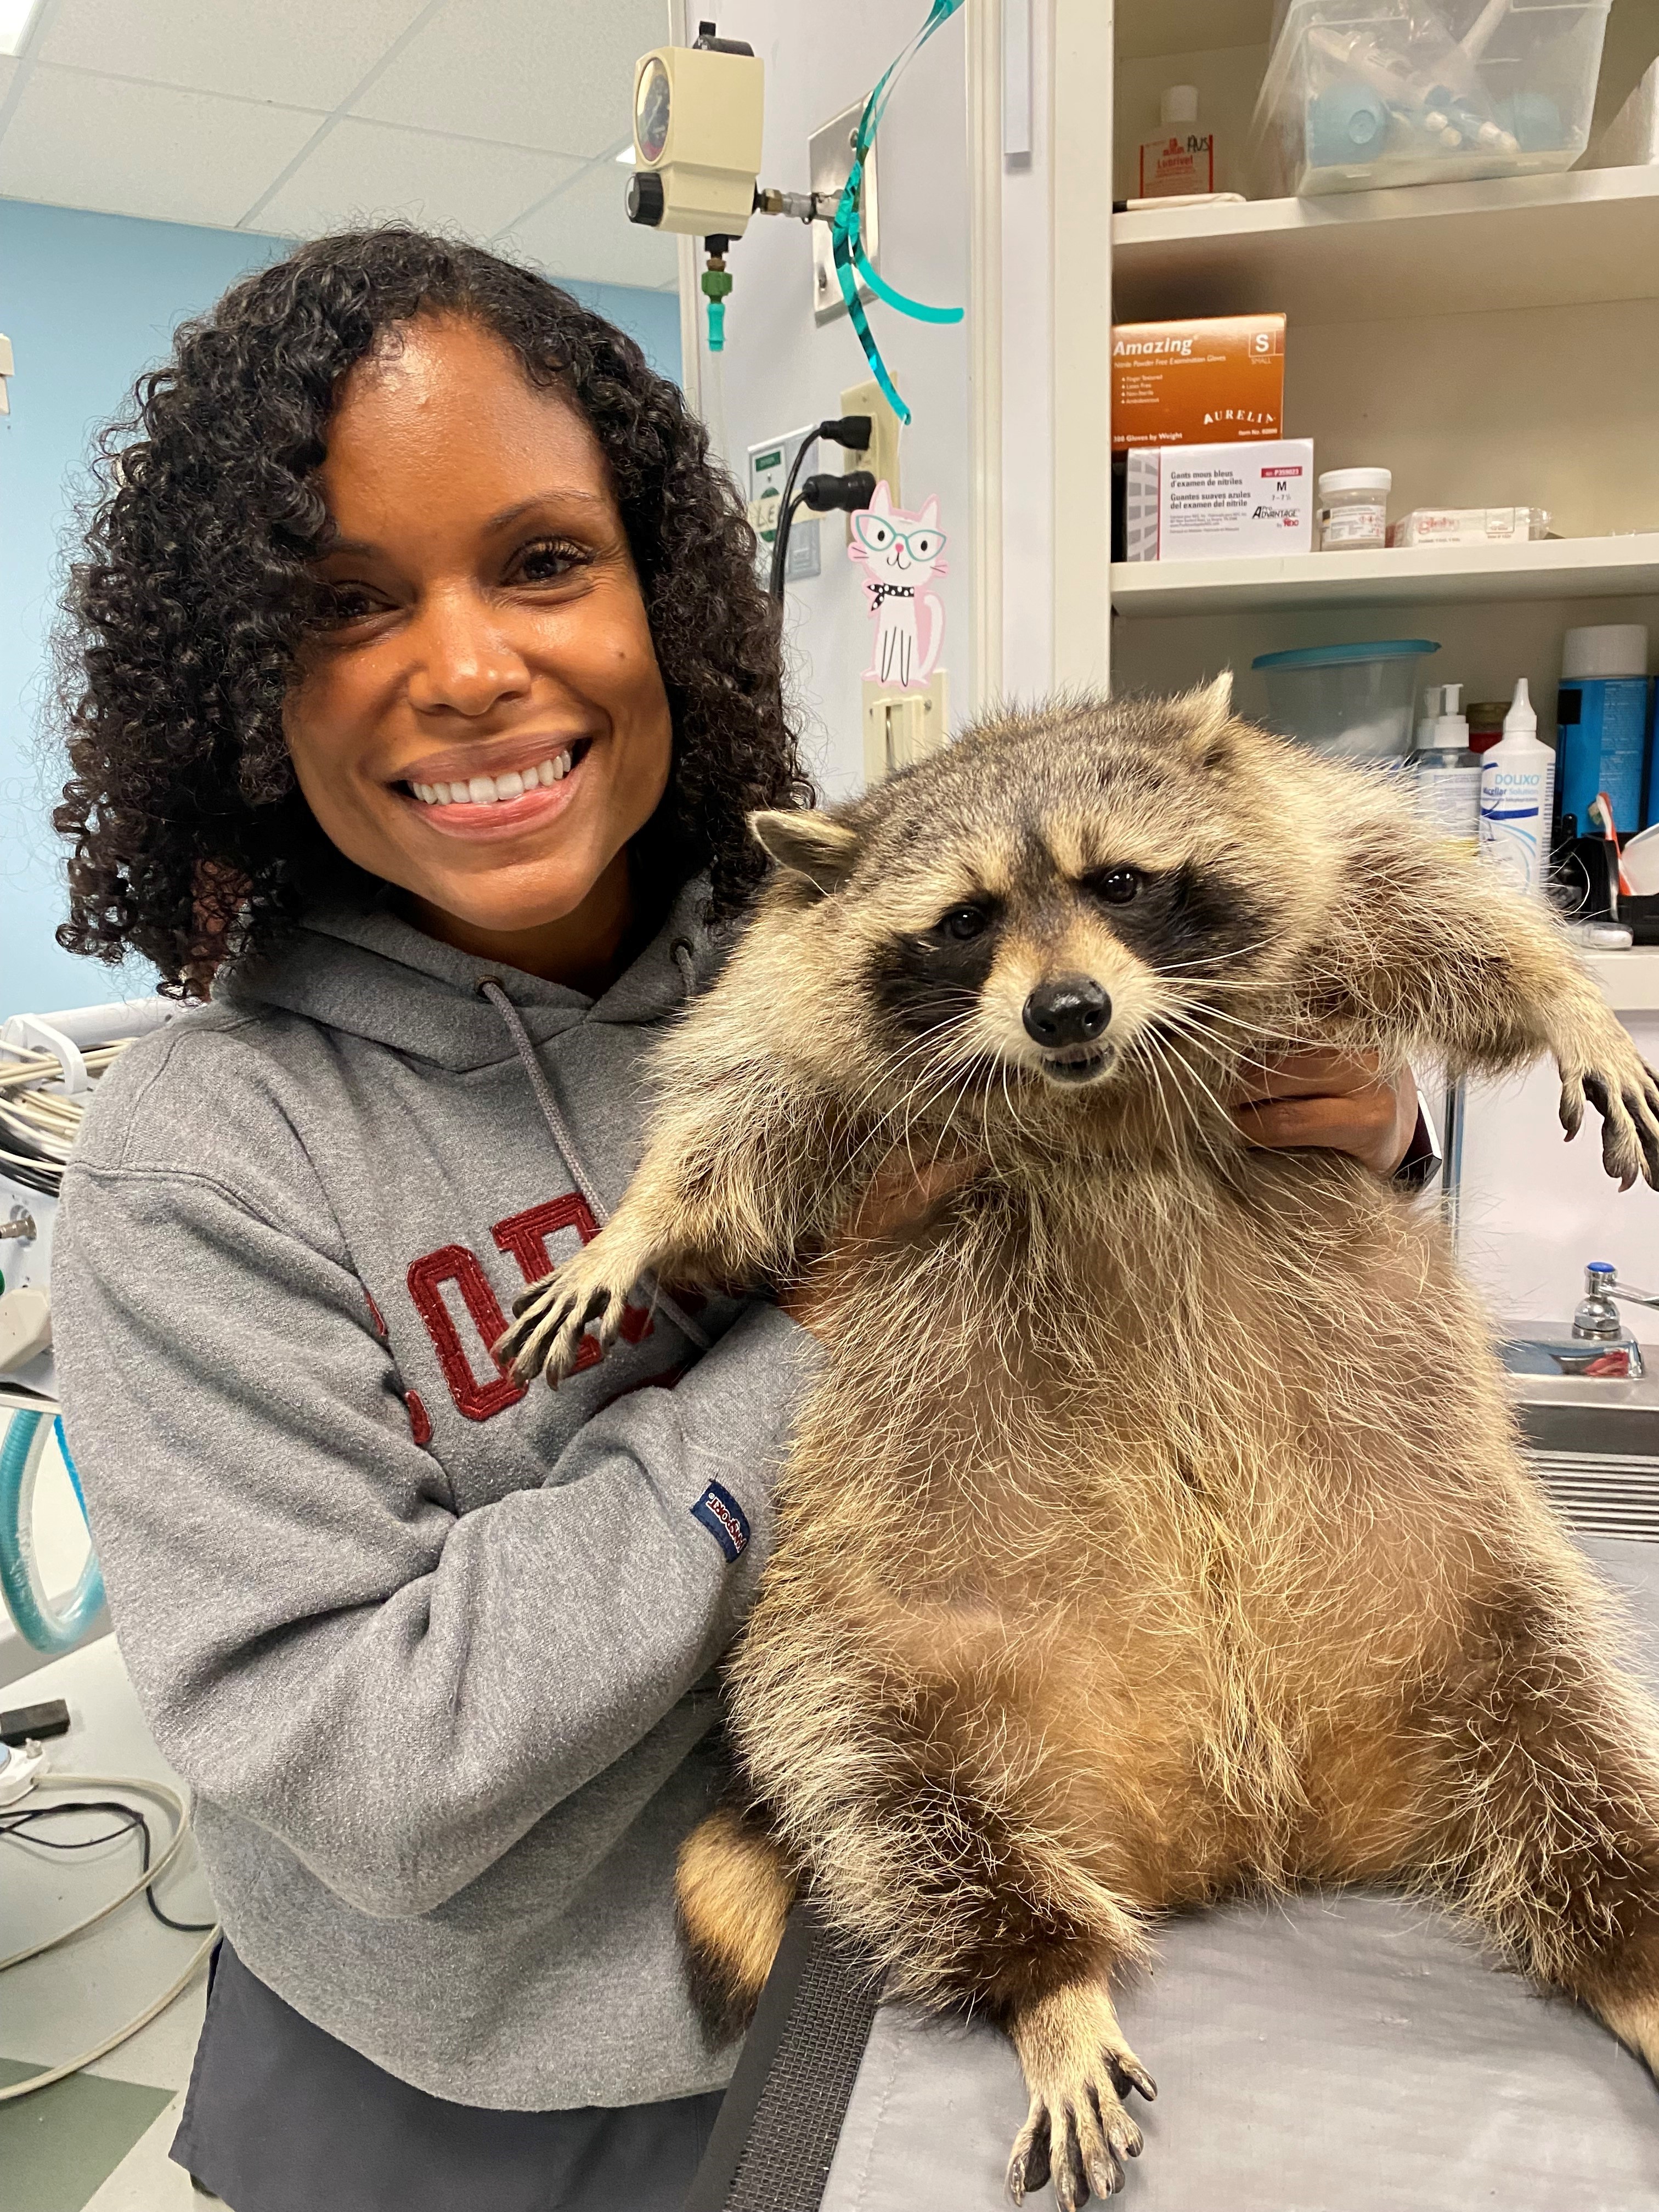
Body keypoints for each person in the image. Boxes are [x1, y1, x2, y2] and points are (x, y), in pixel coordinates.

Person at [49, 229, 1430, 2212]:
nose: (467, 668)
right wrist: (816, 1339)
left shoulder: (872, 974)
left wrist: (1342, 1145)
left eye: (542, 560)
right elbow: (368, 1765)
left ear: (662, 601)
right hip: (477, 2095)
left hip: (934, 1972)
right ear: (243, 690)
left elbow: (1147, 1306)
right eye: (349, 604)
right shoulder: (208, 1166)